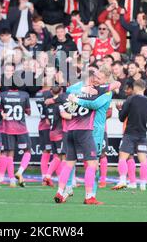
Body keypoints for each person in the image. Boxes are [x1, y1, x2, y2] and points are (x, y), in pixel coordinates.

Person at [53, 68, 110, 205]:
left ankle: (60, 192)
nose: (97, 80)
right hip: (85, 131)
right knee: (92, 164)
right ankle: (89, 196)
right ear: (91, 78)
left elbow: (66, 105)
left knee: (68, 163)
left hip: (70, 131)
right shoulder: (94, 92)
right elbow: (96, 102)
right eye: (95, 77)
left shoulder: (73, 91)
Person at [113, 79, 147, 191]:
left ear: (134, 88)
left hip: (130, 133)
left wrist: (119, 109)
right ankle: (143, 184)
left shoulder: (130, 99)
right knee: (143, 159)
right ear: (144, 88)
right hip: (142, 133)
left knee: (123, 157)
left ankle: (122, 180)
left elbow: (122, 118)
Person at [0, 83, 32, 187]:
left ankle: (12, 180)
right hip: (21, 128)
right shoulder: (25, 95)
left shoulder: (3, 95)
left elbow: (0, 111)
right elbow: (28, 112)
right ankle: (20, 171)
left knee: (9, 154)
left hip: (7, 128)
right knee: (27, 151)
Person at [43, 86, 71, 187]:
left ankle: (48, 176)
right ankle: (63, 180)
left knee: (57, 156)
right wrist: (75, 115)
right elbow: (64, 115)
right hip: (60, 132)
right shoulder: (60, 104)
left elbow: (46, 120)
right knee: (64, 156)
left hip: (52, 131)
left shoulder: (49, 104)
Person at [34, 82, 53, 182]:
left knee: (46, 152)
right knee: (57, 153)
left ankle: (44, 176)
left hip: (41, 125)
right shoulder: (48, 94)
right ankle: (48, 176)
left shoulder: (38, 94)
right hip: (49, 126)